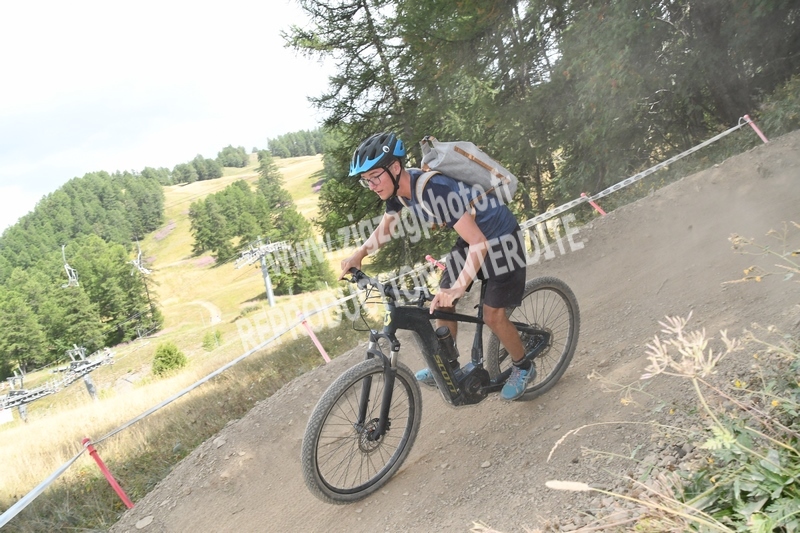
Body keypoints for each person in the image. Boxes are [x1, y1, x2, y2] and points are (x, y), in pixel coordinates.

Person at [339, 132, 532, 400]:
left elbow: (479, 242)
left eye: (375, 176)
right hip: (474, 238)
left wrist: (459, 287)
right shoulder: (397, 191)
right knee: (441, 303)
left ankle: (523, 367)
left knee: (492, 316)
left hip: (501, 238)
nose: (371, 185)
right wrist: (359, 255)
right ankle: (449, 365)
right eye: (366, 180)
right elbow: (386, 228)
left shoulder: (434, 190)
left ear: (394, 168)